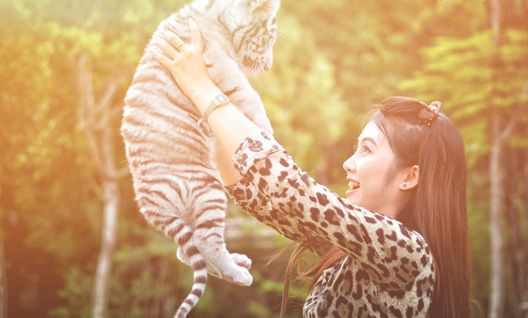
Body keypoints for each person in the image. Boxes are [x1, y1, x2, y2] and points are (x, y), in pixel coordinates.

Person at [153, 20, 471, 317]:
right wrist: (202, 104)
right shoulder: (356, 249)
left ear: (410, 176)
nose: (349, 163)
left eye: (367, 149)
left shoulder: (408, 253)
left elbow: (292, 192)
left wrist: (202, 88)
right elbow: (262, 198)